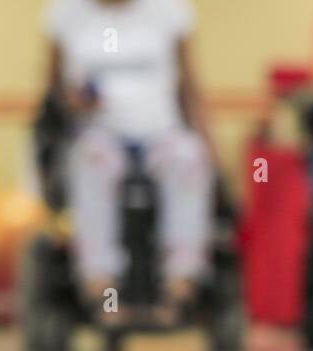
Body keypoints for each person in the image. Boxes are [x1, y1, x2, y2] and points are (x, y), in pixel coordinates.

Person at [42, 0, 215, 327]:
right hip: (98, 132)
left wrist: (212, 151)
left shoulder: (170, 10)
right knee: (92, 160)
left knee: (189, 157)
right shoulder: (64, 12)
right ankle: (103, 292)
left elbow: (190, 88)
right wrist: (73, 101)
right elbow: (52, 94)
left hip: (161, 131)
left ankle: (178, 289)